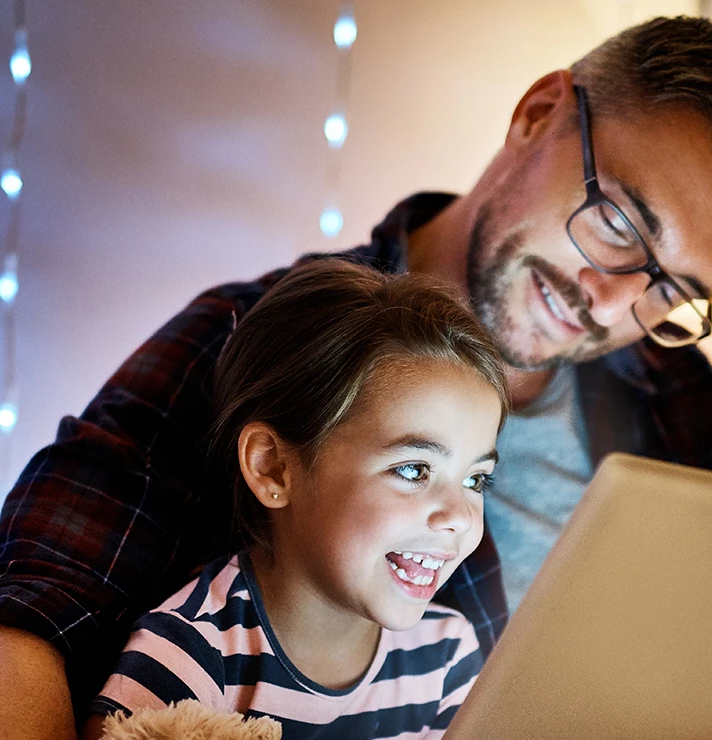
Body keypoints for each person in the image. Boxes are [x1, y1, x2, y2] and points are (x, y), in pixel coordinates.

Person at [0, 16, 712, 740]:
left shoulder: (694, 413)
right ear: (540, 112)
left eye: (670, 287)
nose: (611, 295)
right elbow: (8, 627)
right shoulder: (263, 343)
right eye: (622, 221)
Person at [82, 260, 501, 739]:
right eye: (412, 470)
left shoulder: (448, 657)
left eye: (475, 480)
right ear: (273, 469)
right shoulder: (186, 658)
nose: (459, 518)